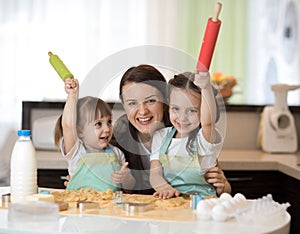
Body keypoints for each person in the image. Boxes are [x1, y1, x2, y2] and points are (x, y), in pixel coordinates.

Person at [112, 65, 231, 196]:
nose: (142, 111)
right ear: (124, 105)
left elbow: (208, 122)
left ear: (165, 101)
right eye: (132, 103)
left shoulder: (198, 135)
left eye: (151, 100)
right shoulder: (120, 138)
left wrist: (223, 185)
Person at [149, 71, 231, 199]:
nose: (182, 117)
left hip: (203, 203)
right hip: (173, 202)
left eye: (192, 110)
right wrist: (164, 188)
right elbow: (155, 174)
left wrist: (205, 88)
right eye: (175, 108)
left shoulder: (205, 138)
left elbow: (208, 122)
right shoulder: (160, 136)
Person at [54, 78, 135, 192]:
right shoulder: (77, 152)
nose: (107, 128)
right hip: (80, 206)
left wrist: (127, 179)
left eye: (109, 122)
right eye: (98, 124)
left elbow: (129, 187)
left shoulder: (117, 153)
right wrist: (72, 95)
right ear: (79, 131)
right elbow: (67, 125)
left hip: (111, 207)